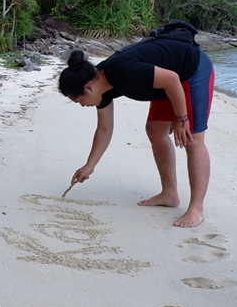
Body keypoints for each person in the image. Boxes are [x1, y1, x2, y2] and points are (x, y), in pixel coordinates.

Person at [58, 32, 215, 228]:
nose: (82, 105)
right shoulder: (102, 87)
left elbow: (172, 79)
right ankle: (169, 194)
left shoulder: (123, 70)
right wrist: (89, 166)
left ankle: (196, 208)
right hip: (167, 84)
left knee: (193, 139)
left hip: (190, 70)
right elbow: (105, 129)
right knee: (155, 131)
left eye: (80, 100)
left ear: (88, 88)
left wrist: (180, 117)